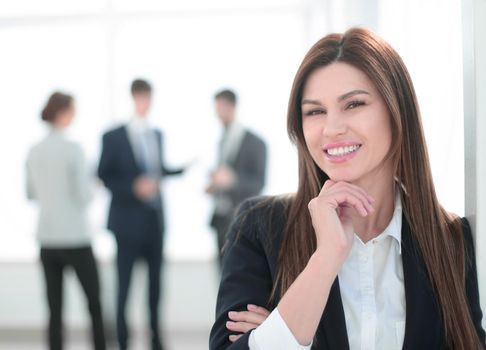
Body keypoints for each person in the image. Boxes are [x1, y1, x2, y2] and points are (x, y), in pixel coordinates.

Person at [209, 28, 486, 350]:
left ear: (398, 111)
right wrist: (326, 257)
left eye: (354, 104)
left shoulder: (451, 241)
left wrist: (280, 330)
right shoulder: (260, 227)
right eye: (315, 111)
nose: (332, 128)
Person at [98, 79, 185, 350]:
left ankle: (156, 341)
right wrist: (134, 187)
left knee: (155, 288)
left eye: (149, 98)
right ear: (134, 98)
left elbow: (158, 169)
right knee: (124, 287)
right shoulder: (113, 136)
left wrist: (180, 170)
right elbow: (104, 175)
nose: (145, 103)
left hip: (154, 223)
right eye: (141, 97)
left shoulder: (157, 134)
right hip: (126, 224)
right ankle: (123, 341)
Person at [26, 92, 106, 350]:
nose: (75, 115)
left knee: (54, 308)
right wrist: (96, 183)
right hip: (76, 237)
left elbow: (30, 193)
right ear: (62, 113)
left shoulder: (34, 151)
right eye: (73, 110)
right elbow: (84, 195)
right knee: (94, 303)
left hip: (47, 237)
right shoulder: (74, 149)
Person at [206, 89, 267, 267]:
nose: (217, 115)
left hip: (242, 222)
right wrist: (214, 185)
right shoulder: (222, 140)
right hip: (220, 220)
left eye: (220, 109)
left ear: (231, 107)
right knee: (223, 279)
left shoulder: (256, 142)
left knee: (241, 280)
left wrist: (232, 180)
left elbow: (258, 183)